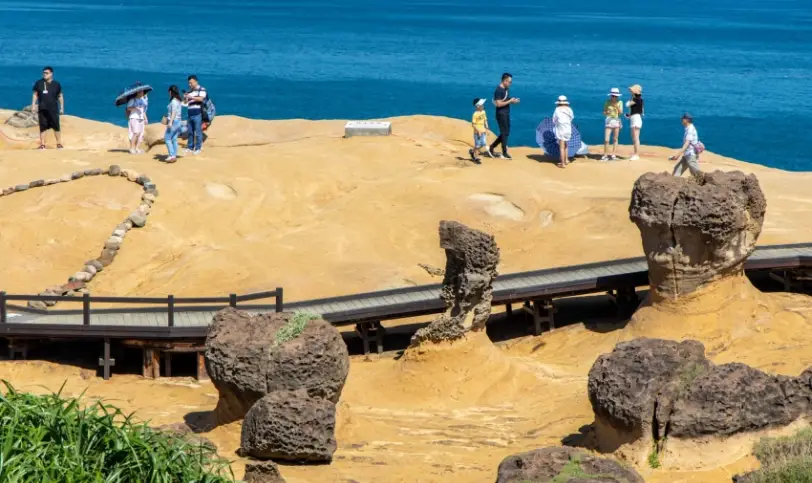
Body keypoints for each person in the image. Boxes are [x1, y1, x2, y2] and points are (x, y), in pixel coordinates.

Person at [31, 66, 64, 149]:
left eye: (46, 73)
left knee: (56, 126)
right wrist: (33, 105)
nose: (44, 74)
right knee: (42, 126)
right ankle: (42, 145)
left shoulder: (56, 84)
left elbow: (60, 96)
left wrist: (62, 107)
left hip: (53, 109)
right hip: (42, 108)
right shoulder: (39, 83)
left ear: (51, 74)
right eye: (43, 73)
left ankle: (59, 143)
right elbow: (35, 94)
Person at [488, 73, 519, 159]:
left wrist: (513, 101)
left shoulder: (506, 89)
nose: (510, 83)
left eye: (511, 82)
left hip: (506, 113)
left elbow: (505, 99)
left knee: (506, 132)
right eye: (509, 82)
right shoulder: (498, 90)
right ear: (504, 81)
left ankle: (492, 147)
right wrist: (510, 101)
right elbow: (498, 104)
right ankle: (504, 152)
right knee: (504, 133)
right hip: (501, 114)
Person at [670, 113, 703, 179]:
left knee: (697, 175)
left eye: (683, 119)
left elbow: (686, 144)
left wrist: (677, 155)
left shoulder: (690, 130)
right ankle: (674, 183)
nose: (681, 120)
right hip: (687, 155)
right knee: (677, 170)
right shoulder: (688, 128)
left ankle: (706, 183)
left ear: (687, 120)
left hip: (691, 155)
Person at [184, 75, 207, 155]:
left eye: (191, 83)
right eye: (189, 83)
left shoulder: (201, 89)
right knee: (190, 132)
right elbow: (185, 103)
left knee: (198, 132)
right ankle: (190, 147)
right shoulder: (189, 92)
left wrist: (191, 97)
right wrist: (185, 98)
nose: (190, 84)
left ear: (196, 81)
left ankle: (198, 148)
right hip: (190, 113)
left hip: (198, 113)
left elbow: (201, 99)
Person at [552, 96, 574, 169]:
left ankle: (562, 163)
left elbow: (554, 119)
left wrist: (557, 123)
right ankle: (566, 160)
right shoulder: (569, 109)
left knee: (561, 147)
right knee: (566, 145)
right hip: (568, 128)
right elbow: (572, 118)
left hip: (561, 129)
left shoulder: (557, 110)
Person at [602, 87, 623, 161]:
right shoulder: (607, 102)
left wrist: (617, 107)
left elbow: (621, 113)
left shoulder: (620, 102)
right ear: (610, 96)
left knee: (615, 138)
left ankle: (613, 155)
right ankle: (605, 155)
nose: (614, 97)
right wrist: (607, 112)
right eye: (613, 96)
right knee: (606, 139)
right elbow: (604, 112)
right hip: (609, 121)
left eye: (615, 96)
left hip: (616, 121)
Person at [164, 85, 183, 163]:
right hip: (178, 122)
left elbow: (174, 112)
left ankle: (171, 155)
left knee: (167, 138)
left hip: (174, 122)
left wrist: (170, 122)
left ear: (171, 92)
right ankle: (174, 155)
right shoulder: (179, 101)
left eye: (169, 92)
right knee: (174, 139)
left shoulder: (174, 101)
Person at [126, 90, 148, 154]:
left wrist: (145, 118)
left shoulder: (142, 100)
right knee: (135, 133)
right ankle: (132, 148)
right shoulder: (132, 100)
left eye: (143, 92)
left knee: (140, 134)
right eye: (141, 92)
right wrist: (135, 108)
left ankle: (137, 148)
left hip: (141, 118)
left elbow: (143, 111)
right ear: (137, 92)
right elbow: (128, 108)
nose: (142, 93)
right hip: (134, 117)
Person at [625, 85, 644, 160]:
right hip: (635, 118)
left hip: (635, 119)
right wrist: (629, 116)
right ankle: (635, 153)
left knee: (635, 138)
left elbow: (627, 105)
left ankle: (636, 154)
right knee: (634, 138)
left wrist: (630, 99)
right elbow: (640, 111)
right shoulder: (640, 99)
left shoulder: (636, 99)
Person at [469, 98, 490, 162]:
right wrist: (478, 131)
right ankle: (476, 158)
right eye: (481, 105)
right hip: (477, 133)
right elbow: (473, 124)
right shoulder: (475, 114)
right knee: (477, 145)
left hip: (483, 131)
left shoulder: (483, 112)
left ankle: (472, 151)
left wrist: (487, 128)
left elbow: (485, 120)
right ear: (477, 106)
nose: (483, 106)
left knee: (483, 144)